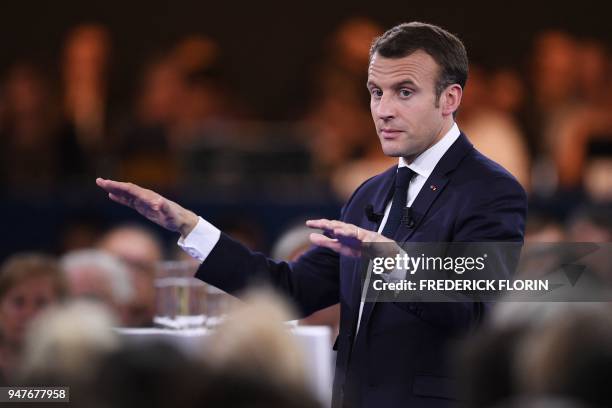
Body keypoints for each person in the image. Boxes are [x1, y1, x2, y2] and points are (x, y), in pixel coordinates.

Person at [97, 22, 527, 408]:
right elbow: (290, 291)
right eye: (376, 92)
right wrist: (190, 227)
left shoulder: (490, 191)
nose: (383, 110)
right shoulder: (370, 193)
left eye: (405, 92)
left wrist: (395, 264)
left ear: (450, 98)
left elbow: (473, 314)